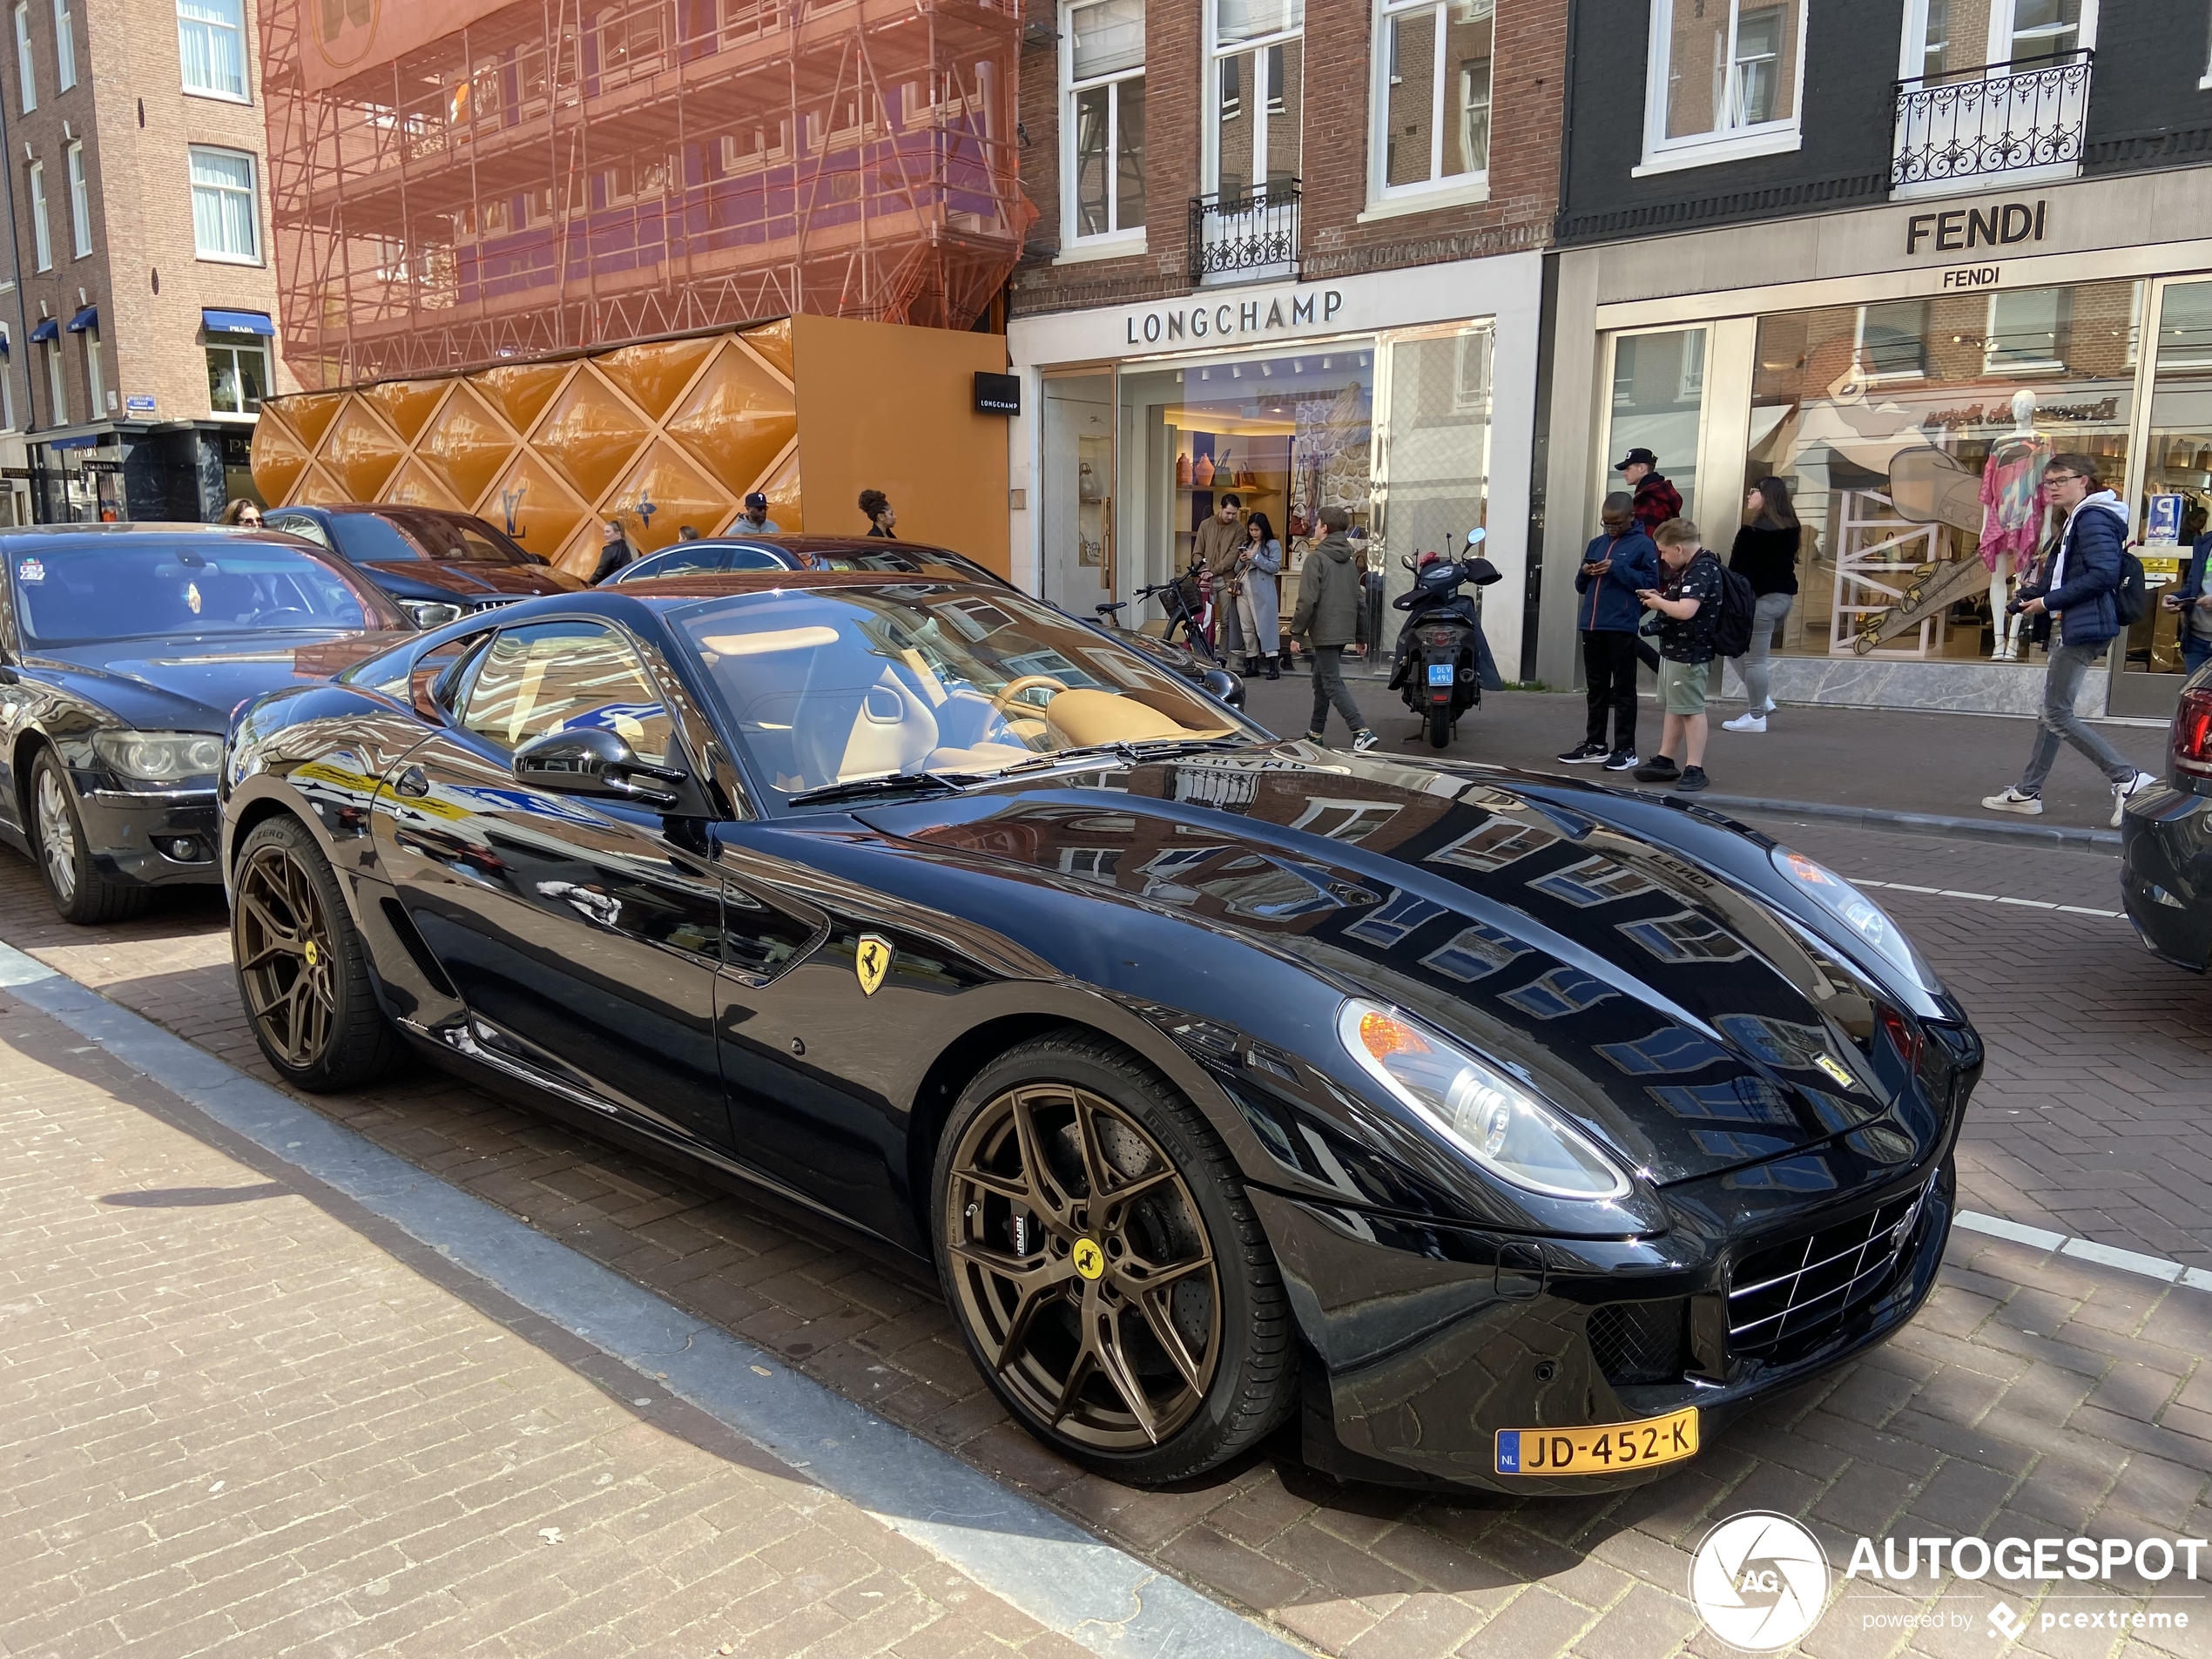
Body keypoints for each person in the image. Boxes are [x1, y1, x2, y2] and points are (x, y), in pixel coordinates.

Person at [1981, 455, 2158, 825]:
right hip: (2077, 623)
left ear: (2085, 481)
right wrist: (2030, 597)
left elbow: (2102, 575)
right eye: (2049, 482)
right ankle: (2027, 792)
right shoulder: (2076, 517)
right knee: (2052, 713)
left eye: (2063, 480)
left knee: (2057, 712)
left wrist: (2046, 601)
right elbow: (2063, 575)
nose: (2055, 487)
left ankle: (2128, 779)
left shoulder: (2092, 517)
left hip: (2086, 626)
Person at [1558, 492, 1659, 772]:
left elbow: (1651, 585)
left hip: (1621, 626)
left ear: (1631, 518)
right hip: (1592, 625)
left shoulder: (1644, 545)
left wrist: (1616, 568)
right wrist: (1585, 572)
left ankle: (1626, 748)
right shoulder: (1596, 543)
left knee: (1624, 689)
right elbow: (1581, 586)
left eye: (1616, 523)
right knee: (1597, 688)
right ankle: (1595, 744)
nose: (1611, 528)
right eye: (1606, 523)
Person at [1632, 518, 1723, 793]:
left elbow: (1685, 611)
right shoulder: (1692, 568)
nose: (1661, 556)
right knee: (1675, 705)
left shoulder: (1701, 571)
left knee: (1691, 710)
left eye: (1663, 551)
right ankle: (1665, 759)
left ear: (1679, 548)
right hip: (1676, 650)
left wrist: (1658, 602)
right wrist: (1659, 598)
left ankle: (1694, 767)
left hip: (1690, 652)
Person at [1291, 506, 1379, 752]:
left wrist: (1296, 633)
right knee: (1321, 680)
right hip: (1343, 628)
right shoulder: (1350, 562)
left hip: (1325, 629)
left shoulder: (1316, 559)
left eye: (1317, 523)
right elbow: (1360, 601)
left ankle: (1360, 730)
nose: (1315, 527)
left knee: (1330, 681)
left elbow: (1307, 600)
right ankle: (1315, 733)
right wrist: (1361, 636)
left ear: (1325, 528)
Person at [1721, 476, 1802, 734]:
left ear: (1765, 496)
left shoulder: (1750, 533)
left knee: (1752, 659)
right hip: (1782, 601)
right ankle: (1762, 700)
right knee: (1736, 651)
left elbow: (1737, 573)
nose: (1749, 496)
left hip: (1759, 603)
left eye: (1753, 491)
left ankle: (1757, 716)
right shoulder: (1792, 528)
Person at [1192, 493, 1245, 657]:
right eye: (1228, 512)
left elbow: (1232, 557)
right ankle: (1203, 655)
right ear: (1220, 508)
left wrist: (1212, 571)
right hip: (1204, 580)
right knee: (1202, 620)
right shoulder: (1206, 525)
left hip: (1225, 580)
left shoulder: (1239, 529)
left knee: (1225, 621)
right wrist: (1202, 569)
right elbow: (1197, 551)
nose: (1230, 517)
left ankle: (1222, 656)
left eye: (1233, 514)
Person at [1233, 510, 1284, 679]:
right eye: (1251, 529)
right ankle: (1251, 662)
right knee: (1246, 627)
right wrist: (1241, 559)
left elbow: (1274, 567)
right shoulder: (1246, 544)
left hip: (1262, 590)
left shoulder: (1272, 544)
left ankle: (1273, 664)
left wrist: (1255, 557)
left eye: (1256, 530)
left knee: (1265, 627)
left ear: (1263, 529)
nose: (1253, 533)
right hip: (1244, 588)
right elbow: (1236, 569)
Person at [2165, 521, 2212, 676]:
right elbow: (2193, 585)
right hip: (2197, 640)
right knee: (2195, 698)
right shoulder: (2207, 541)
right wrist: (2177, 599)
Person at [1615, 447, 1682, 534]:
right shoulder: (1656, 494)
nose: (1624, 474)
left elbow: (1643, 540)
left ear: (1642, 468)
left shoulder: (1649, 500)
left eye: (1628, 469)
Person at [590, 518, 637, 583]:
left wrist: (587, 585)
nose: (604, 535)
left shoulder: (610, 550)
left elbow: (599, 573)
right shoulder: (635, 551)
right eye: (604, 532)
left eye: (607, 532)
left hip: (611, 586)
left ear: (617, 534)